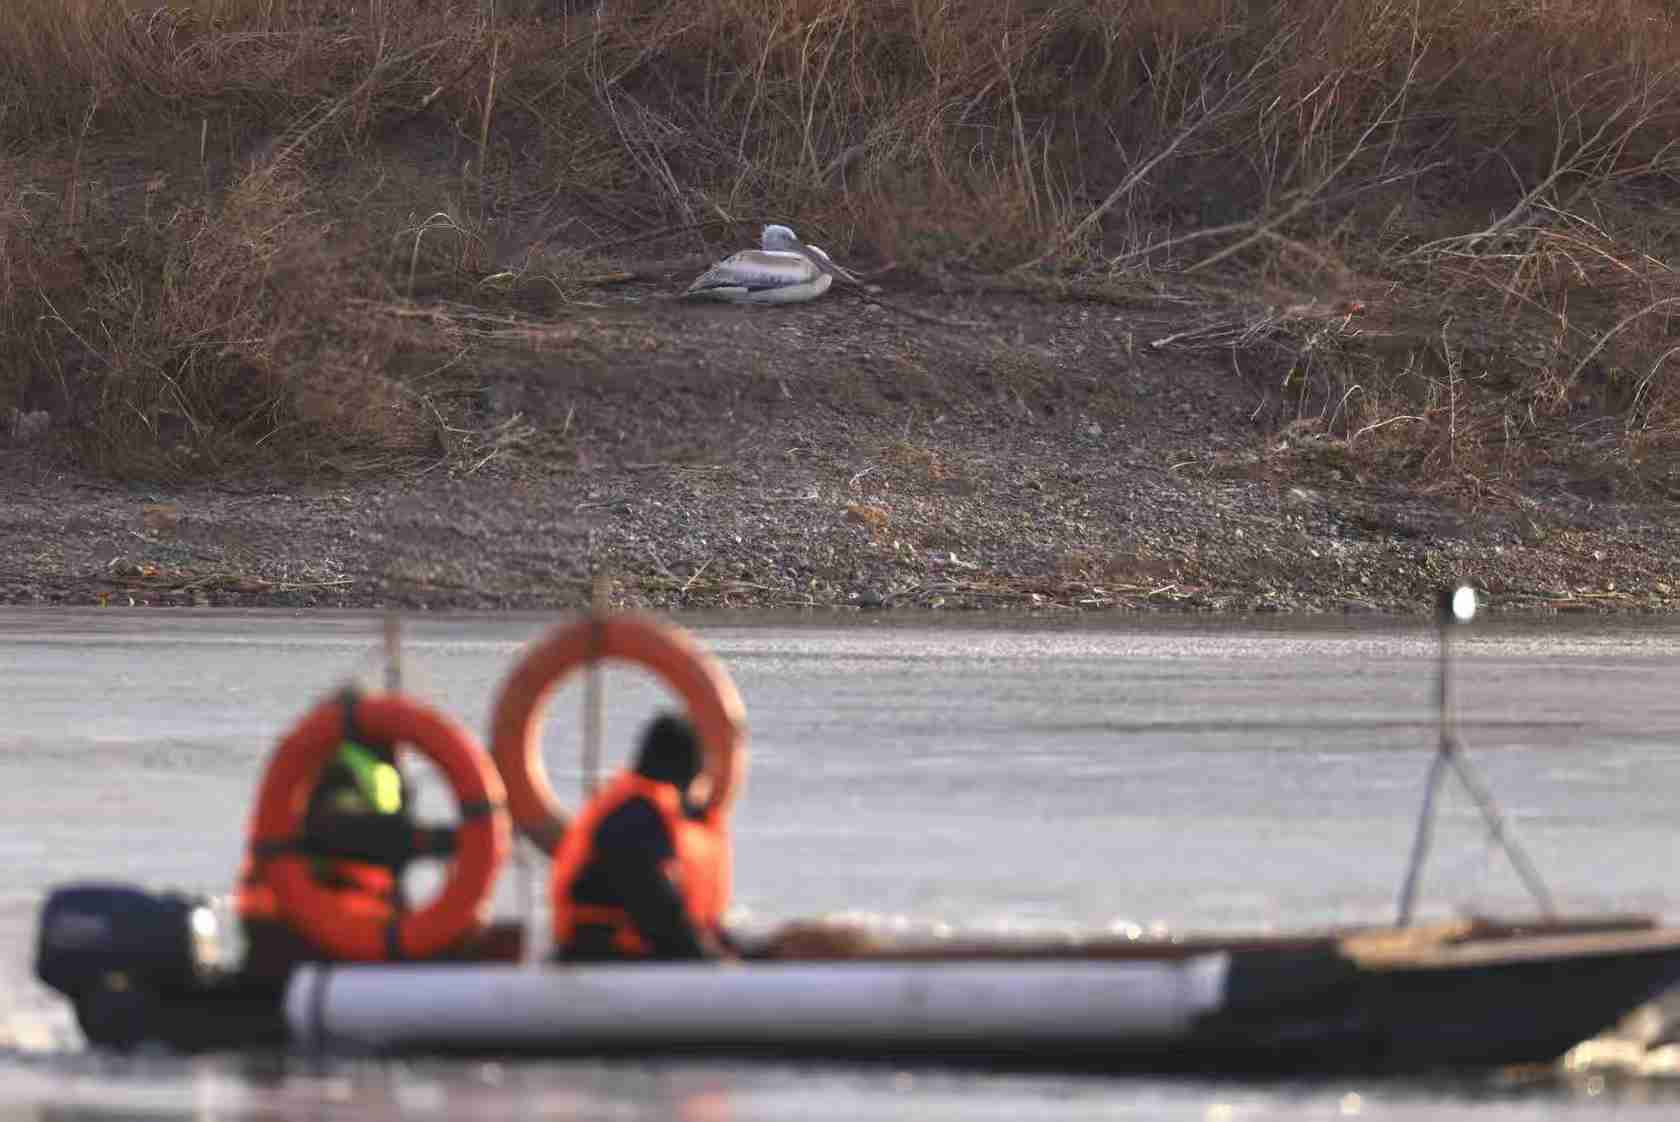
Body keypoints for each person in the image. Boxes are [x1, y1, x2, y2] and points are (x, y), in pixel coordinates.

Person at [236, 726, 455, 978]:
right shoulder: (345, 773)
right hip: (318, 949)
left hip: (285, 948)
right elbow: (343, 830)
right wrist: (431, 841)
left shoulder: (304, 770)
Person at [551, 713, 735, 961]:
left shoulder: (635, 806)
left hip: (628, 958)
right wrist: (702, 956)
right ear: (691, 772)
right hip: (605, 960)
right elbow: (651, 902)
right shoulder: (635, 818)